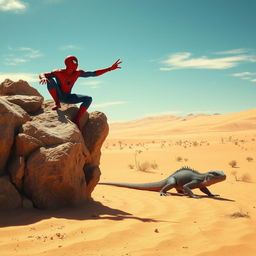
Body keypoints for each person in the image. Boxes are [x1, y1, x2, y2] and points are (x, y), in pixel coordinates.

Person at [39, 56, 122, 130]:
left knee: (88, 99)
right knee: (49, 80)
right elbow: (42, 74)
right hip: (59, 95)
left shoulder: (77, 73)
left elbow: (93, 73)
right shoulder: (58, 72)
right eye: (74, 62)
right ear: (67, 64)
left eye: (77, 62)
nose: (76, 64)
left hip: (68, 97)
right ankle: (57, 103)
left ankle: (77, 119)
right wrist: (43, 77)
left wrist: (110, 69)